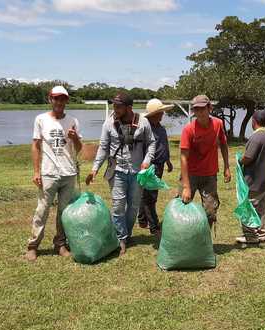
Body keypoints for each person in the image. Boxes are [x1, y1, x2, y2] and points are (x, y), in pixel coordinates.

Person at [86, 93, 156, 255]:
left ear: (129, 108)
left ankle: (127, 233)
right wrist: (94, 169)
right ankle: (121, 237)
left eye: (118, 106)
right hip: (116, 170)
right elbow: (103, 147)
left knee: (133, 206)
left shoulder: (143, 121)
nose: (114, 109)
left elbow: (151, 143)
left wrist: (147, 160)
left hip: (138, 172)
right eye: (113, 105)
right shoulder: (109, 123)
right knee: (118, 205)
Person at [26, 85, 82, 261]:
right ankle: (33, 246)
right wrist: (36, 171)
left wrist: (74, 138)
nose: (59, 102)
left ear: (66, 101)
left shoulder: (73, 120)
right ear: (50, 99)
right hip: (48, 174)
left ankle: (60, 244)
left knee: (64, 212)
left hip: (68, 173)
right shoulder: (41, 119)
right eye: (56, 98)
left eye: (63, 98)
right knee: (42, 210)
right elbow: (36, 146)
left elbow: (79, 149)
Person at [180, 94, 231, 229]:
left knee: (210, 211)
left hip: (209, 175)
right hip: (191, 175)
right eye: (196, 110)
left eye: (202, 109)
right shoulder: (188, 129)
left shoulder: (218, 124)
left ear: (210, 108)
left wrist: (227, 167)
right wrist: (186, 187)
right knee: (182, 207)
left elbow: (224, 145)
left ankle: (204, 241)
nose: (200, 113)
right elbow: (183, 157)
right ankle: (183, 238)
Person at [236, 109, 265, 244]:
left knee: (249, 206)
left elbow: (248, 157)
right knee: (262, 208)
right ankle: (262, 233)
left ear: (254, 122)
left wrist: (240, 160)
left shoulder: (256, 136)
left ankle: (251, 235)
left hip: (255, 179)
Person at [137, 98, 174, 237]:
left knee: (146, 194)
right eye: (160, 112)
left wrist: (168, 161)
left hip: (160, 165)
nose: (162, 114)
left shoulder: (161, 128)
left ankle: (142, 220)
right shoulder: (146, 129)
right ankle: (154, 226)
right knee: (150, 197)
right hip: (150, 166)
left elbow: (164, 145)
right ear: (153, 114)